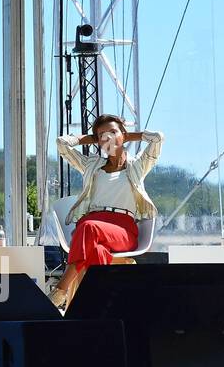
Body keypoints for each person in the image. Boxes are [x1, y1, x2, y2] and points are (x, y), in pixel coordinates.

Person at [49, 116, 164, 310]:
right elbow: (62, 143)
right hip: (92, 225)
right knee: (96, 250)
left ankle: (60, 290)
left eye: (113, 132)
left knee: (88, 227)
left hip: (123, 229)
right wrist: (93, 138)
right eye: (102, 135)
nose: (107, 137)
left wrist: (125, 136)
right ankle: (98, 307)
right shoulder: (91, 165)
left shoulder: (137, 166)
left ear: (123, 135)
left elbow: (157, 138)